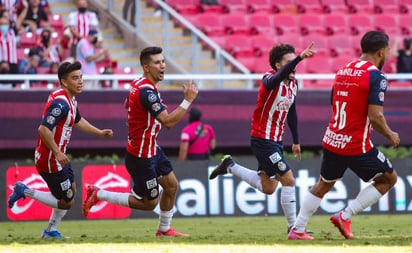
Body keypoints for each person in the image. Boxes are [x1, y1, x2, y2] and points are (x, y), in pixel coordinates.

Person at [287, 31, 400, 240]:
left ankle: (297, 229)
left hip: (332, 138)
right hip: (356, 144)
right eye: (388, 51)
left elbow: (335, 101)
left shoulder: (343, 69)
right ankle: (345, 215)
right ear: (381, 52)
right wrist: (390, 134)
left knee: (323, 184)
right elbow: (376, 116)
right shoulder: (377, 76)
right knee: (389, 178)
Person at [82, 46, 198, 237]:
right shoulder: (147, 93)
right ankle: (99, 193)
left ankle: (164, 230)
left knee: (171, 185)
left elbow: (127, 104)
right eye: (157, 63)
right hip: (141, 155)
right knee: (149, 202)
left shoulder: (138, 84)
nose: (162, 66)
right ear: (146, 67)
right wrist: (187, 101)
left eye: (163, 61)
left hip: (152, 147)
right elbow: (168, 122)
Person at [209, 42, 315, 233]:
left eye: (295, 62)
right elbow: (273, 81)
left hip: (276, 141)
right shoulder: (268, 79)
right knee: (289, 180)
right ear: (277, 65)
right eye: (289, 63)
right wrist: (299, 57)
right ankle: (295, 229)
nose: (294, 66)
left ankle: (230, 166)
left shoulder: (294, 85)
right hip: (262, 140)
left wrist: (296, 141)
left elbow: (292, 113)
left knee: (268, 188)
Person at [8, 61, 114, 238]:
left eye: (81, 77)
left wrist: (99, 132)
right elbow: (43, 129)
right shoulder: (61, 103)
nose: (80, 81)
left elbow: (78, 120)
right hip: (50, 160)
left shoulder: (70, 98)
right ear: (64, 82)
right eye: (75, 78)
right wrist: (57, 152)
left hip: (58, 157)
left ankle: (50, 231)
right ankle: (24, 191)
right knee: (67, 202)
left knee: (71, 190)